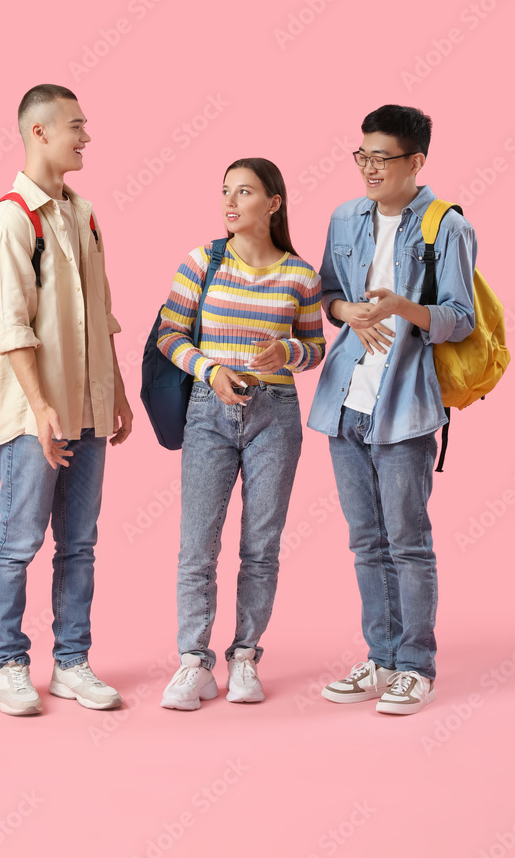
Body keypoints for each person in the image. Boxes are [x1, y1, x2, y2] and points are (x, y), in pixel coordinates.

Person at [308, 105, 476, 715]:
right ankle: (380, 658)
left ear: (416, 161)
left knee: (408, 541)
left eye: (382, 157)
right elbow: (327, 293)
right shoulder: (344, 217)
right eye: (363, 155)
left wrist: (403, 307)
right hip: (344, 402)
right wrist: (344, 312)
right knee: (365, 541)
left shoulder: (446, 226)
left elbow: (461, 319)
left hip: (404, 404)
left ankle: (416, 666)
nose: (369, 168)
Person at [0, 83, 133, 716]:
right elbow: (10, 329)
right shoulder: (10, 220)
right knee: (19, 540)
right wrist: (41, 408)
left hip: (89, 410)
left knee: (80, 543)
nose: (86, 136)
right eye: (76, 125)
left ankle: (71, 663)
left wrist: (116, 392)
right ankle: (10, 662)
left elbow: (102, 315)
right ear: (39, 132)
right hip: (32, 413)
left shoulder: (85, 214)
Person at [156, 157, 325, 710]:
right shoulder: (202, 261)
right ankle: (193, 663)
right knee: (197, 545)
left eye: (244, 192)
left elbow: (316, 348)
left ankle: (245, 657)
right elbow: (169, 335)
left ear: (273, 203)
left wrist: (289, 352)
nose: (230, 202)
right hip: (209, 409)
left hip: (275, 412)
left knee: (261, 546)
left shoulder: (300, 275)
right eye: (225, 191)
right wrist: (210, 371)